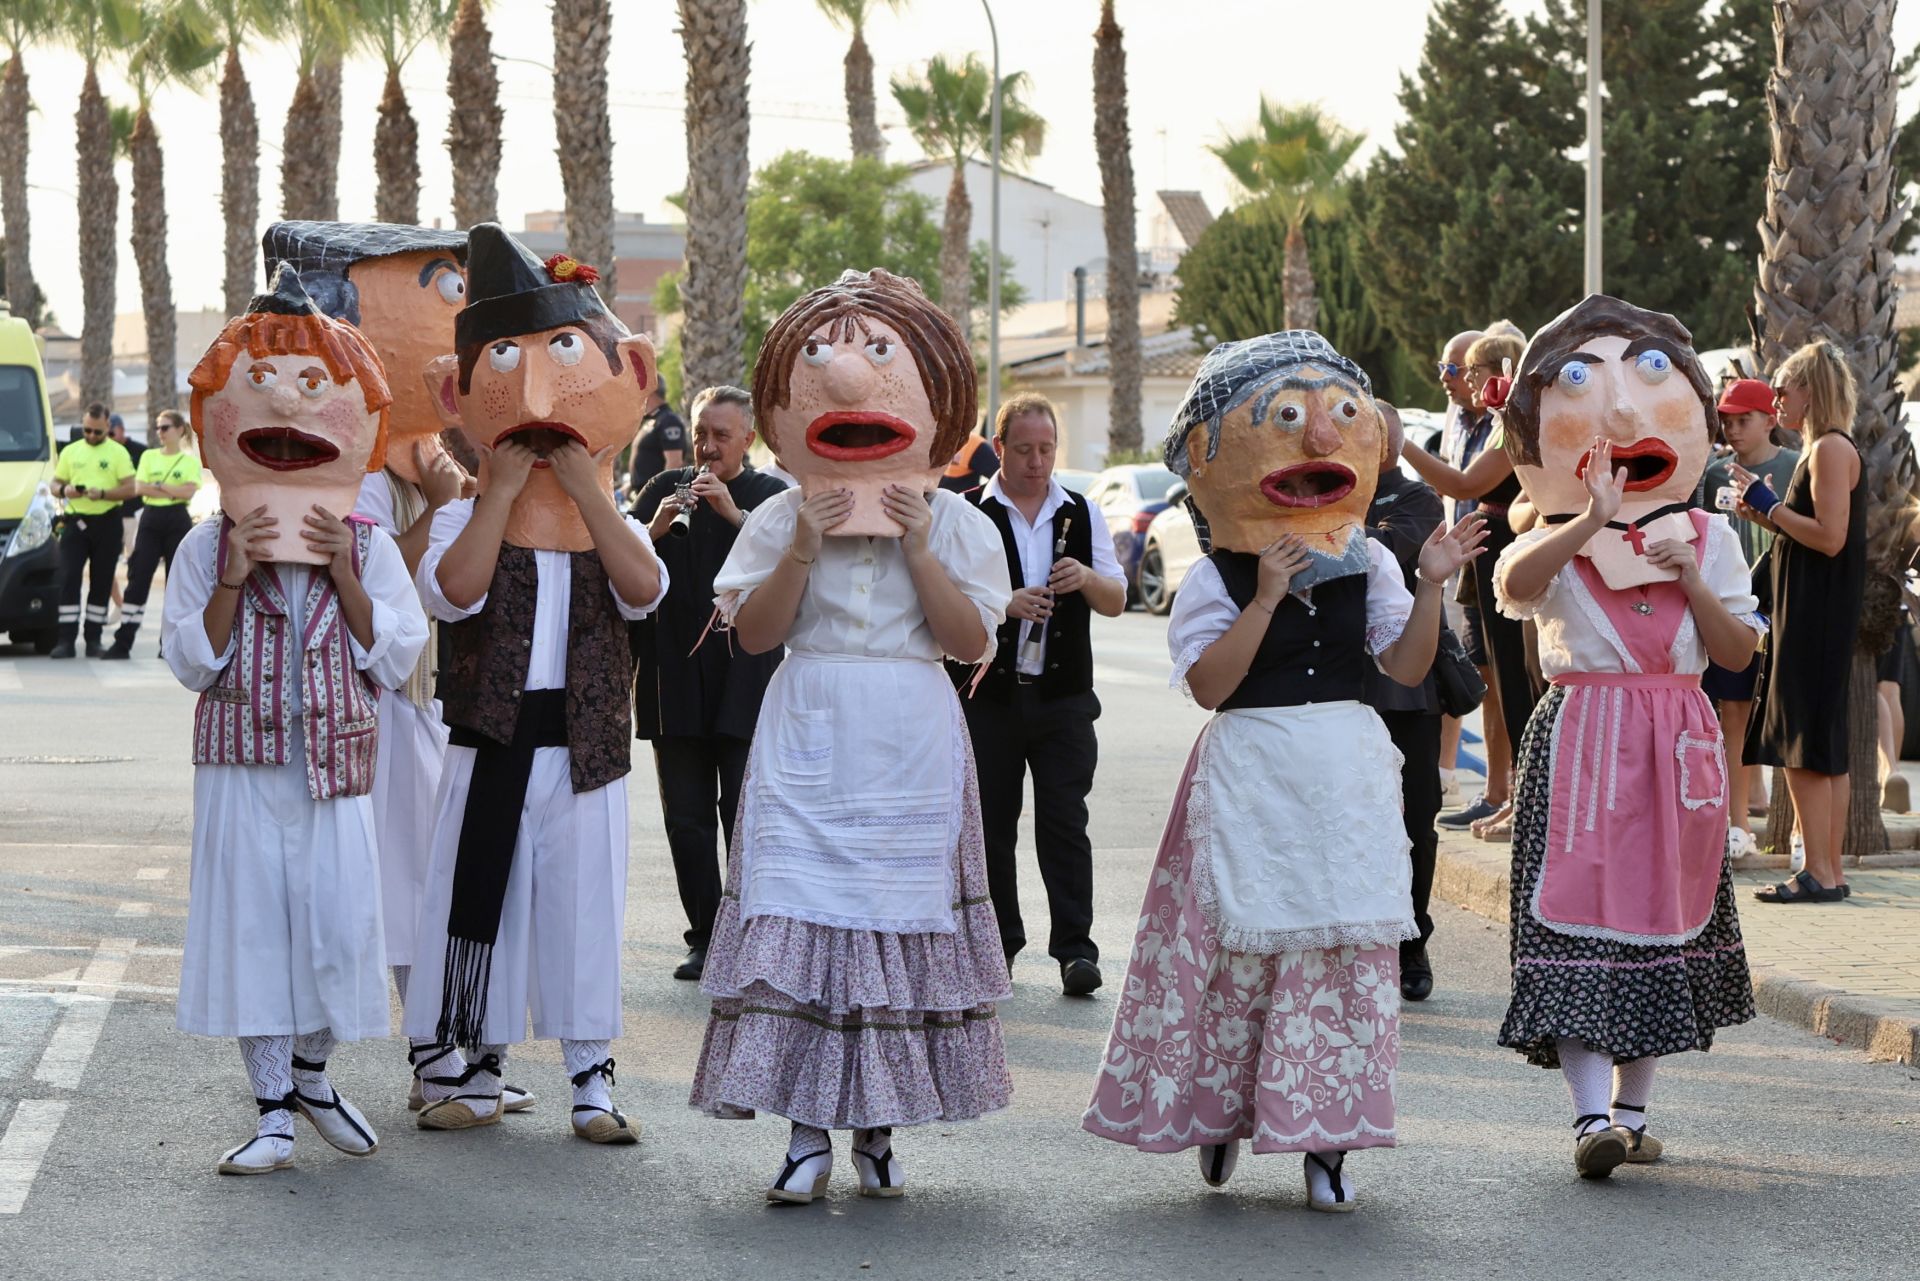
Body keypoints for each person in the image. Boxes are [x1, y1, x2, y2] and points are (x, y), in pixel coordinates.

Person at [1083, 331, 1485, 1212]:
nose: (1318, 443)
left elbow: (1407, 667)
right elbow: (1208, 687)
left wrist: (1430, 584)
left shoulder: (1369, 562)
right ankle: (1221, 1112)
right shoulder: (1216, 576)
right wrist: (1265, 597)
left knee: (1338, 954)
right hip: (1249, 765)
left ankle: (1327, 1140)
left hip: (1342, 769)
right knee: (1236, 957)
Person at [689, 268, 1014, 1204]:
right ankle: (805, 1135)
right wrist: (801, 544)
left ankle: (876, 1129)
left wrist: (917, 543)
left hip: (912, 730)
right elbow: (756, 636)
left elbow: (969, 642)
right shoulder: (779, 513)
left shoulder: (958, 522)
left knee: (890, 921)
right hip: (808, 723)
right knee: (803, 918)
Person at [402, 226, 667, 1146]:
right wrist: (501, 493)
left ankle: (591, 1080)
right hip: (491, 743)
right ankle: (479, 1071)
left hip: (585, 749)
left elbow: (645, 591)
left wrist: (589, 491)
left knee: (583, 910)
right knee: (485, 902)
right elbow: (453, 592)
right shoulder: (464, 518)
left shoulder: (614, 520)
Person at [165, 268, 430, 1176]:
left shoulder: (369, 545)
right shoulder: (205, 545)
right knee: (252, 936)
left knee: (338, 931)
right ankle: (272, 1108)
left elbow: (393, 657)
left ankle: (313, 1075)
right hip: (242, 771)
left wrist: (346, 574)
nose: (285, 407)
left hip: (332, 769)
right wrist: (232, 578)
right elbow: (191, 663)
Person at [1493, 295, 1759, 1180]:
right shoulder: (1551, 539)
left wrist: (1694, 580)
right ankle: (1590, 1119)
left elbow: (1736, 653)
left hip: (1675, 746)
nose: (1620, 414)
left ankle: (1631, 1118)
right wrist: (1584, 517)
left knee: (1660, 926)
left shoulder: (1711, 539)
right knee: (1579, 928)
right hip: (1582, 742)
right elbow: (1514, 588)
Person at [957, 392, 1126, 996]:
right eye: (1024, 449)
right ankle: (999, 946)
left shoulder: (1081, 511)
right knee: (991, 827)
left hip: (1063, 697)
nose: (1036, 462)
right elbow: (943, 598)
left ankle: (1076, 951)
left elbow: (1116, 599)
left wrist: (1086, 577)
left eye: (1046, 449)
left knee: (1064, 822)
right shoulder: (969, 511)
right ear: (999, 447)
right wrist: (1003, 604)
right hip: (989, 697)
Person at [631, 384, 788, 982]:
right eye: (701, 433)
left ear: (748, 438)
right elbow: (622, 568)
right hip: (673, 676)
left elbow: (790, 568)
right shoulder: (662, 490)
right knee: (687, 821)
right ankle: (705, 936)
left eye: (722, 435)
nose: (707, 446)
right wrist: (652, 530)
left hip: (744, 679)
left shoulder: (768, 497)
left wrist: (733, 517)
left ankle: (750, 937)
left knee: (742, 816)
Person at [1742, 341, 1868, 903]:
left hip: (1815, 616)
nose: (1776, 402)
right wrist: (1767, 515)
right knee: (1820, 745)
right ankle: (1827, 871)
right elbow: (1814, 535)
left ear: (1809, 392)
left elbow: (1831, 538)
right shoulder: (1826, 449)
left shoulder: (1830, 449)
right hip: (1816, 610)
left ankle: (1819, 870)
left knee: (1804, 743)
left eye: (1782, 391)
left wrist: (1769, 506)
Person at [1403, 327, 1536, 838]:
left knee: (1515, 679)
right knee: (1498, 677)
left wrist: (1403, 444)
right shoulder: (1504, 423)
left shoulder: (1513, 425)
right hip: (1488, 549)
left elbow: (1462, 484)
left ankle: (1525, 799)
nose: (1468, 383)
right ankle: (1509, 795)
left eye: (1474, 372)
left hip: (1504, 547)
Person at [1363, 403, 1448, 1002]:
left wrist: (1335, 532)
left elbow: (1400, 552)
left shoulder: (1417, 499)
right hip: (1343, 691)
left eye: (1382, 433)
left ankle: (1412, 942)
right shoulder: (1318, 495)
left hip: (1408, 693)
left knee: (1415, 822)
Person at [1700, 378, 1798, 859]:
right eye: (1728, 420)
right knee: (1733, 712)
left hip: (1784, 603)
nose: (1734, 429)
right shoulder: (1713, 475)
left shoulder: (1794, 466)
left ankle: (1797, 829)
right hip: (1733, 608)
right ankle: (1737, 824)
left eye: (1745, 419)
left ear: (1770, 420)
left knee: (1789, 713)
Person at [103, 409, 200, 659]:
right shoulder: (148, 456)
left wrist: (159, 486)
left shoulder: (189, 461)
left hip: (178, 519)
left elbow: (188, 492)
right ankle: (123, 642)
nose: (160, 432)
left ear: (179, 430)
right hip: (151, 518)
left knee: (176, 583)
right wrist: (171, 489)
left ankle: (168, 644)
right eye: (158, 427)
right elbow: (139, 487)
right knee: (138, 577)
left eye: (165, 427)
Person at [1434, 330, 1482, 805]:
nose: (1445, 378)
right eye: (1442, 368)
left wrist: (1402, 446)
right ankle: (1444, 773)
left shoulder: (1502, 421)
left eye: (1454, 369)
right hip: (1453, 560)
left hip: (1487, 560)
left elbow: (1466, 482)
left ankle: (1502, 786)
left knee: (1486, 673)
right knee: (1447, 661)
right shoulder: (1456, 417)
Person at [49, 402, 136, 657]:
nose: (91, 435)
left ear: (108, 427)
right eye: (87, 430)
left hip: (108, 522)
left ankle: (93, 639)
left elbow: (131, 488)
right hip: (76, 522)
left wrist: (104, 494)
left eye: (98, 431)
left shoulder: (118, 453)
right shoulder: (71, 451)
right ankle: (65, 640)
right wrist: (65, 490)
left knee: (101, 580)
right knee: (68, 578)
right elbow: (55, 483)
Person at [627, 374, 687, 497]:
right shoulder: (653, 420)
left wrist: (658, 497)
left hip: (655, 497)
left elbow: (674, 463)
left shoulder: (668, 421)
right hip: (642, 494)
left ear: (650, 389)